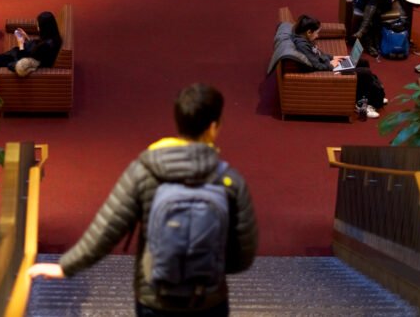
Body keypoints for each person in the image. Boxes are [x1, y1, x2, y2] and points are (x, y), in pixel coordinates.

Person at [28, 83, 257, 316]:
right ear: (213, 127)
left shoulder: (145, 171)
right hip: (209, 300)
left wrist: (65, 267)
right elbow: (244, 255)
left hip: (155, 297)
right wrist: (207, 265)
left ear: (178, 122)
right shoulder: (229, 181)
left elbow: (107, 228)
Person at [291, 15, 385, 117]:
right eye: (316, 33)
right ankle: (360, 105)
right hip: (327, 71)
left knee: (363, 62)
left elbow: (319, 53)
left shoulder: (306, 39)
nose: (317, 36)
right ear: (309, 32)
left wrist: (335, 57)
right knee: (365, 73)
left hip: (329, 65)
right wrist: (333, 66)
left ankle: (374, 96)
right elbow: (316, 65)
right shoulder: (302, 45)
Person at [0, 11, 63, 90]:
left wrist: (21, 43)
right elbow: (36, 50)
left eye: (39, 25)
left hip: (20, 60)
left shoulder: (45, 46)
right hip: (27, 55)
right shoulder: (53, 38)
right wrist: (26, 38)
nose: (37, 27)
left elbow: (23, 58)